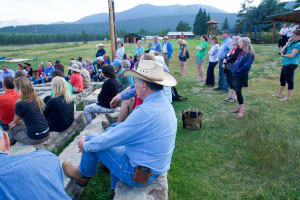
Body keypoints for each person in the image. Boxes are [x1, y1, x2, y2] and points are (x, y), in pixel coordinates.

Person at [62, 60, 177, 196]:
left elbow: (113, 139)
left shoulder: (146, 112)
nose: (133, 86)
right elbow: (125, 132)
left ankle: (82, 175)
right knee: (113, 130)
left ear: (144, 86)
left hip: (140, 174)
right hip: (152, 167)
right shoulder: (162, 102)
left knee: (92, 140)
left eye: (136, 82)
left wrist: (85, 145)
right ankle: (113, 189)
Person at [0, 129, 71, 200]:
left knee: (16, 133)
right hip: (46, 132)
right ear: (6, 140)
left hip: (39, 135)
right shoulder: (45, 157)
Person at [9, 77, 49, 145]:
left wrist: (14, 123)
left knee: (13, 128)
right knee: (20, 125)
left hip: (36, 138)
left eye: (15, 87)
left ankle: (9, 146)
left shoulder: (20, 104)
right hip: (46, 133)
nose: (14, 89)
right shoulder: (36, 98)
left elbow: (15, 122)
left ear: (19, 89)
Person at [230, 37, 255, 118]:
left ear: (244, 43)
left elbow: (246, 66)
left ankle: (241, 110)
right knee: (237, 91)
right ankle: (238, 108)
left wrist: (237, 71)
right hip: (237, 74)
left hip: (241, 75)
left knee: (238, 92)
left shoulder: (249, 54)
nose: (238, 44)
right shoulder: (242, 52)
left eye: (240, 42)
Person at [273, 29, 300, 101]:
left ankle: (287, 97)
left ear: (299, 36)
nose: (292, 36)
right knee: (282, 79)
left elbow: (291, 55)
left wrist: (283, 55)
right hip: (286, 63)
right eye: (292, 35)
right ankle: (279, 94)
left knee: (289, 80)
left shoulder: (298, 44)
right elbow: (282, 50)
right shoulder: (292, 43)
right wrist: (288, 42)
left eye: (294, 35)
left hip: (291, 64)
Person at [223, 36, 242, 102]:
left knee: (234, 82)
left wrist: (227, 60)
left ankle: (234, 98)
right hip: (228, 68)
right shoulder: (233, 48)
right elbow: (227, 55)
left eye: (233, 40)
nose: (231, 41)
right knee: (230, 82)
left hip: (233, 68)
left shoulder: (239, 50)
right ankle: (230, 97)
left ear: (236, 42)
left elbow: (234, 57)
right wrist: (225, 59)